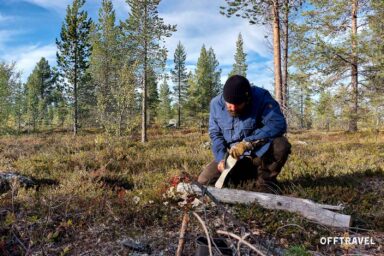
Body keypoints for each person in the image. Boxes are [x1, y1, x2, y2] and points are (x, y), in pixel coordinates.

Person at [198, 75, 291, 191]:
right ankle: (248, 179)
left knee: (281, 144)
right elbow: (215, 134)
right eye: (229, 104)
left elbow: (277, 124)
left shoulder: (261, 98)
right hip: (233, 158)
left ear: (247, 99)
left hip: (259, 155)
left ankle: (266, 182)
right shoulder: (216, 104)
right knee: (204, 181)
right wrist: (221, 158)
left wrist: (248, 142)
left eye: (237, 104)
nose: (232, 108)